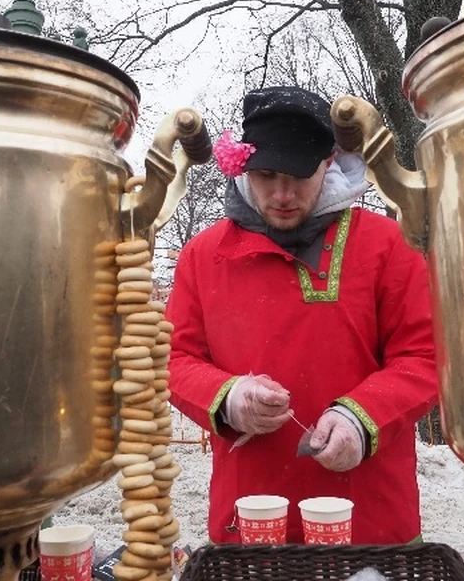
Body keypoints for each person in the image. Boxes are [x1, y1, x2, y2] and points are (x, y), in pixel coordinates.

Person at [165, 86, 438, 544]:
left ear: (328, 162)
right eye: (267, 174)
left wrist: (361, 418)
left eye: (299, 173)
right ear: (243, 168)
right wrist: (227, 396)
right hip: (249, 517)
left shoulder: (389, 244)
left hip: (372, 519)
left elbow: (427, 357)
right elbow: (173, 360)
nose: (283, 193)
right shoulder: (203, 255)